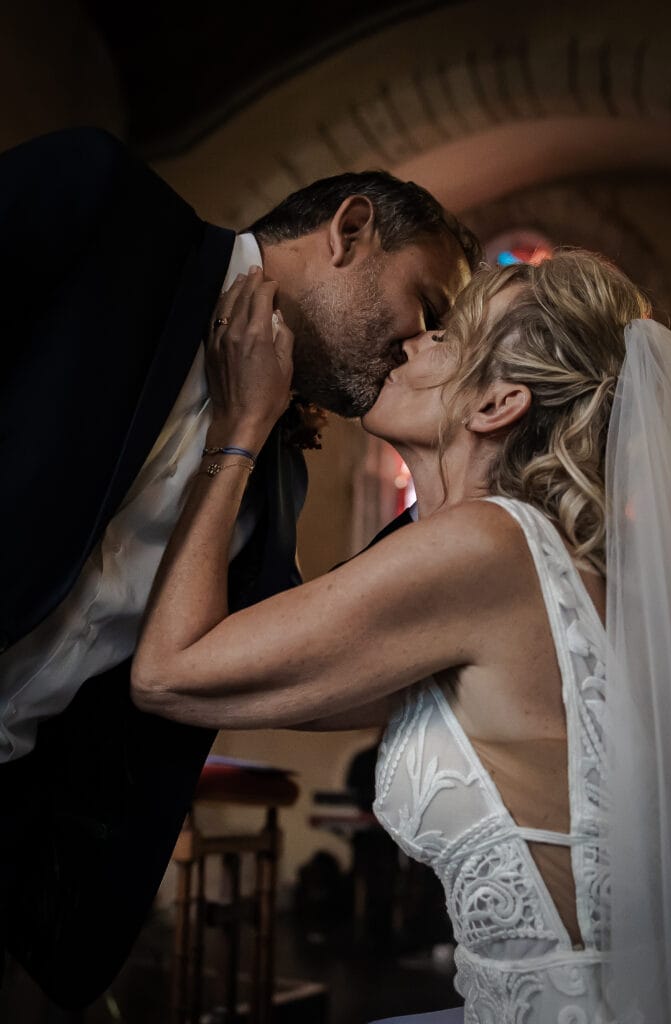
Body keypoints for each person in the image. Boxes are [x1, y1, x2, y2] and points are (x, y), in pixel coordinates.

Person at [132, 249, 671, 1023]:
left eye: (448, 338)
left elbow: (170, 673)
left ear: (497, 405)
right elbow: (292, 692)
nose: (414, 338)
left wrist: (240, 425)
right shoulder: (523, 560)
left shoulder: (485, 547)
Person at [0, 126, 479, 1009]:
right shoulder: (106, 210)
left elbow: (289, 653)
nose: (419, 344)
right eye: (428, 303)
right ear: (349, 229)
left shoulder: (276, 474)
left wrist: (474, 471)